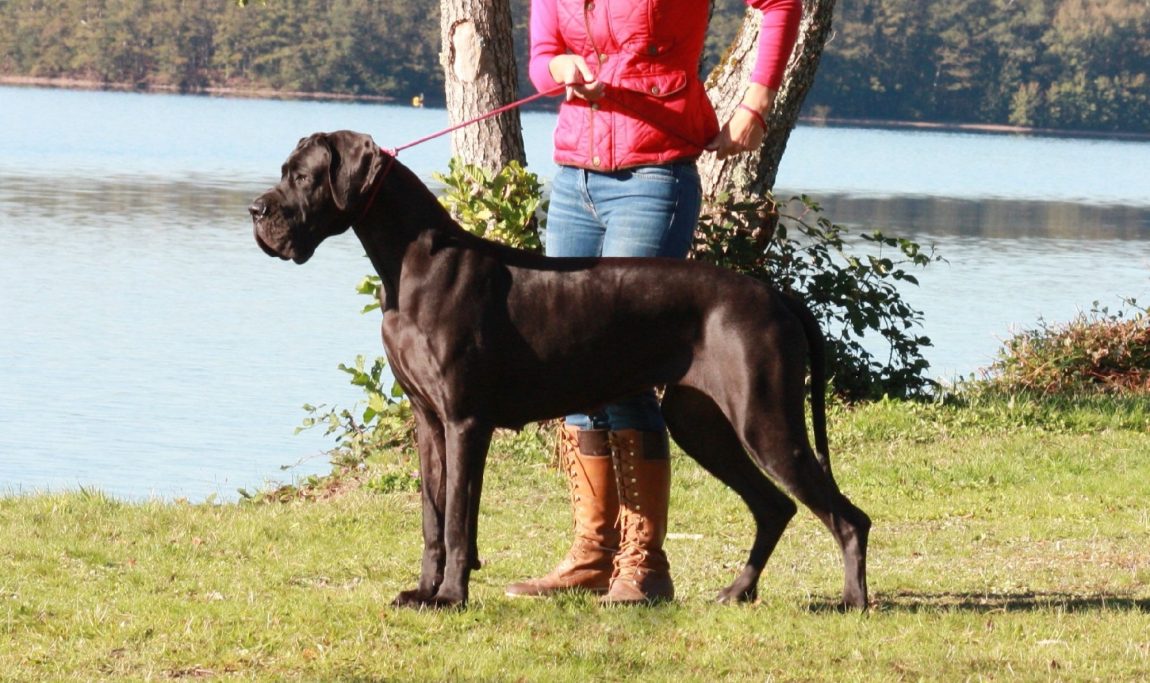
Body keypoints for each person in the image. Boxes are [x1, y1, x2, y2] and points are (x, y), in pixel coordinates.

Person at [504, 0, 803, 604]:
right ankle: (593, 553)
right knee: (572, 364)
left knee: (627, 367)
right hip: (573, 182)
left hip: (654, 178)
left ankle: (645, 564)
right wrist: (562, 68)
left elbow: (779, 4)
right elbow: (539, 63)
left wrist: (754, 104)